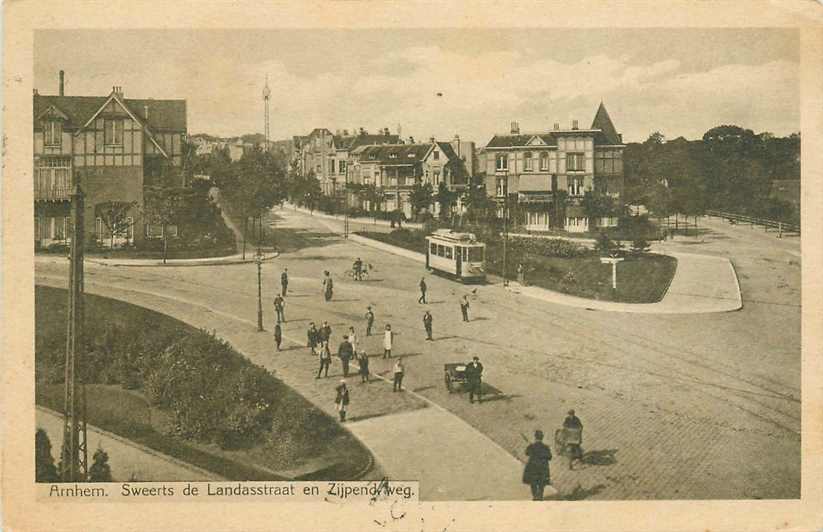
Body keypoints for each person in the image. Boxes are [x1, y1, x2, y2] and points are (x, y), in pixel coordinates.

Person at [522, 430, 552, 501]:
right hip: (542, 468)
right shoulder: (545, 447)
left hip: (533, 467)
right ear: (542, 438)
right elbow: (549, 457)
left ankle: (535, 495)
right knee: (541, 482)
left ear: (535, 437)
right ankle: (540, 495)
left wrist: (531, 448)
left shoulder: (532, 446)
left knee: (533, 482)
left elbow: (527, 453)